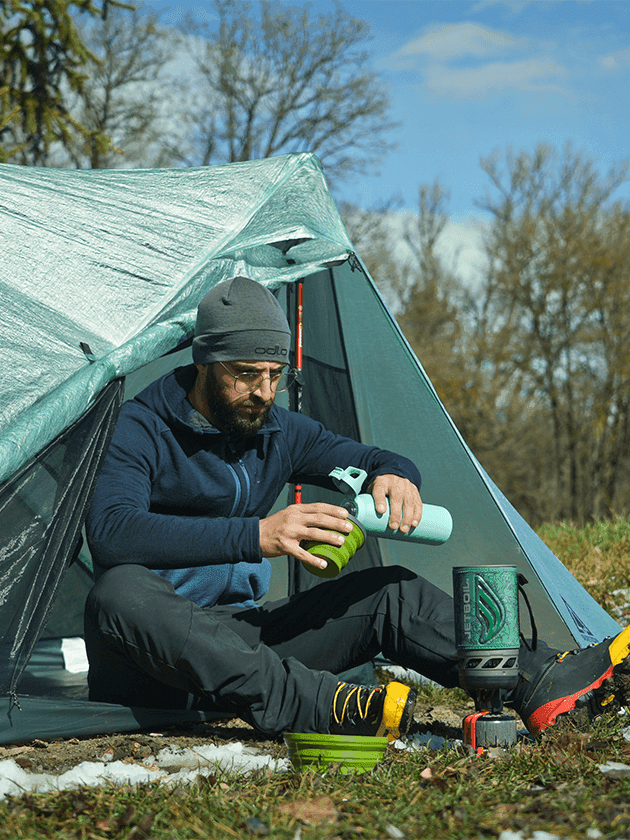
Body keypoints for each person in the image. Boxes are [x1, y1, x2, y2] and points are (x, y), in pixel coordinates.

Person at [85, 276, 630, 740]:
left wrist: (395, 475)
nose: (263, 392)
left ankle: (541, 683)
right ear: (206, 362)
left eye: (275, 375)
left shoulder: (275, 430)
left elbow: (372, 459)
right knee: (117, 591)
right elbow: (111, 532)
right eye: (246, 374)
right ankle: (319, 707)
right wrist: (257, 535)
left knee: (391, 591)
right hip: (155, 658)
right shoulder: (138, 428)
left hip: (243, 642)